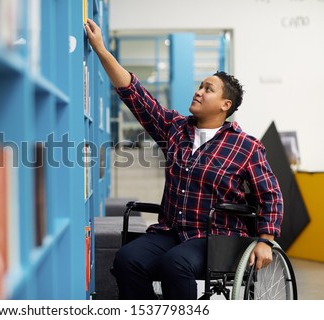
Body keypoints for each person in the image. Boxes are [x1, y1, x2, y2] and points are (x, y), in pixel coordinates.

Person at [85, 19, 283, 300]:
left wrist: (266, 240)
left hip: (216, 238)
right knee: (127, 260)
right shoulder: (175, 128)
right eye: (200, 86)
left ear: (226, 105)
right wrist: (101, 50)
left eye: (208, 89)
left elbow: (271, 195)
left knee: (175, 264)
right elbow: (135, 95)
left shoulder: (246, 146)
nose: (198, 91)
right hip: (172, 230)